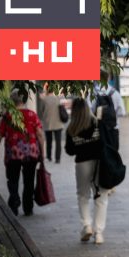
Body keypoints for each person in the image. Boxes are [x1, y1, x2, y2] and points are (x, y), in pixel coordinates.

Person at [64, 98, 111, 245]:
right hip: (99, 163)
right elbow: (106, 143)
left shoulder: (71, 128)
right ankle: (99, 233)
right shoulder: (97, 123)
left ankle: (87, 225)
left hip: (82, 164)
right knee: (101, 197)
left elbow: (70, 151)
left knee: (83, 196)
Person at [0, 90, 43, 216]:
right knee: (29, 181)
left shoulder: (7, 116)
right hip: (30, 153)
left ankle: (14, 203)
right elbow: (40, 134)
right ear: (24, 100)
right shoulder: (32, 114)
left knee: (13, 180)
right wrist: (42, 151)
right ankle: (28, 207)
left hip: (13, 153)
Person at [37, 83, 64, 163]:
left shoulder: (44, 99)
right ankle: (58, 158)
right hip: (58, 123)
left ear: (47, 89)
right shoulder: (57, 99)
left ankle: (49, 157)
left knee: (49, 141)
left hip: (47, 122)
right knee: (58, 142)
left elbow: (41, 111)